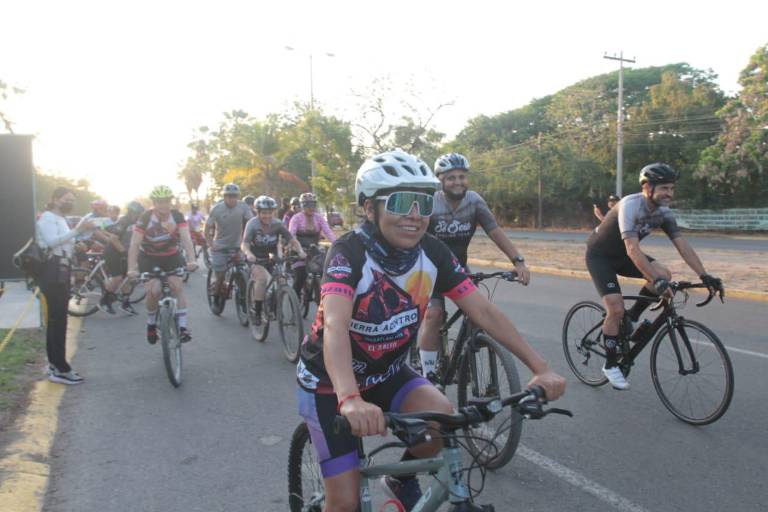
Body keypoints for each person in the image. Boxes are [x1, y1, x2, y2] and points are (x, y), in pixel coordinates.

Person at [296, 149, 565, 511]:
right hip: (329, 382)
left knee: (441, 420)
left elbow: (482, 310)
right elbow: (335, 324)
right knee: (344, 504)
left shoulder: (432, 252)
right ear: (368, 208)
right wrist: (349, 398)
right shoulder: (349, 252)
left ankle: (401, 476)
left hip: (386, 372)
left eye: (423, 203)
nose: (414, 215)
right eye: (402, 202)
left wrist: (540, 367)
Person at [585, 163, 724, 390]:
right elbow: (632, 248)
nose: (669, 194)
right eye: (665, 188)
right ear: (648, 187)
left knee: (664, 274)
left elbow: (683, 246)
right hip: (600, 256)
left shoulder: (664, 213)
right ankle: (610, 365)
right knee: (615, 307)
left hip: (625, 256)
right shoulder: (630, 205)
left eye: (671, 188)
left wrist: (705, 275)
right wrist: (656, 281)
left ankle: (632, 318)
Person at [417, 152, 531, 378]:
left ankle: (465, 356)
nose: (457, 182)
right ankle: (427, 375)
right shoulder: (430, 203)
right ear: (441, 180)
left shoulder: (474, 201)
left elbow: (494, 231)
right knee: (434, 315)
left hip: (458, 268)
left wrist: (518, 261)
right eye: (451, 178)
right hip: (429, 270)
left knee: (480, 313)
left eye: (462, 177)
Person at [36, 187, 96, 384]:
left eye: (72, 200)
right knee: (58, 320)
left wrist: (75, 244)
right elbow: (52, 242)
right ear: (54, 199)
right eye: (66, 199)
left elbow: (63, 242)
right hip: (52, 272)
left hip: (61, 270)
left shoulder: (60, 219)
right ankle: (60, 368)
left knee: (58, 320)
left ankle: (56, 365)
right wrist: (78, 230)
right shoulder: (47, 217)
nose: (69, 202)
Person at [127, 186, 198, 343]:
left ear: (170, 202)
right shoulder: (145, 217)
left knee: (176, 286)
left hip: (171, 256)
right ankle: (151, 324)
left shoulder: (177, 216)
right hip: (149, 257)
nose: (163, 205)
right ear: (154, 203)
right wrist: (131, 268)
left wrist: (192, 260)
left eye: (166, 201)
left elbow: (186, 239)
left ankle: (183, 327)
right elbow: (135, 243)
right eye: (159, 202)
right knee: (154, 290)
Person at [241, 196, 306, 325]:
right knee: (262, 279)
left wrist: (300, 251)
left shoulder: (277, 224)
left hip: (272, 258)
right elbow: (245, 244)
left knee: (281, 280)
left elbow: (291, 239)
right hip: (255, 258)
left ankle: (275, 307)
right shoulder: (252, 224)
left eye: (270, 212)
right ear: (258, 212)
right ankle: (257, 312)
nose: (267, 216)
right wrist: (248, 253)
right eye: (264, 213)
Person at [205, 183, 253, 298]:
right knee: (220, 275)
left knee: (245, 270)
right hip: (220, 247)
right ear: (224, 197)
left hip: (238, 246)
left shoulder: (243, 207)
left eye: (234, 196)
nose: (232, 199)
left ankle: (242, 296)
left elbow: (251, 223)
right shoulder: (216, 209)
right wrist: (211, 244)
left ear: (238, 196)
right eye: (229, 196)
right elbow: (206, 228)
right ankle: (216, 290)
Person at [98, 201, 145, 315]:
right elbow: (114, 239)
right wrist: (124, 252)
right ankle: (104, 302)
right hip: (113, 252)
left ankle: (125, 303)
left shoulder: (136, 223)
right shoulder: (124, 221)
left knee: (128, 277)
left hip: (124, 253)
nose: (139, 216)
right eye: (138, 214)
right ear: (132, 213)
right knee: (117, 278)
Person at [288, 192, 337, 299]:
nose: (311, 208)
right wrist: (299, 250)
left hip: (313, 249)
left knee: (323, 271)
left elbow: (328, 232)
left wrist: (337, 245)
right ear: (302, 206)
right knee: (300, 276)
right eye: (307, 205)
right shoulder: (296, 218)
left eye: (313, 205)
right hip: (298, 251)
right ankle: (295, 301)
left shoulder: (319, 218)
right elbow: (291, 235)